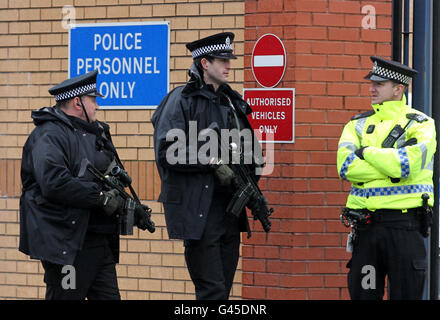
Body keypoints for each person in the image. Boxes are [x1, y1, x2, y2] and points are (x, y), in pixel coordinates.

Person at [152, 32, 263, 300]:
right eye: (222, 60)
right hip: (199, 212)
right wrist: (212, 161)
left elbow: (251, 154)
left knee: (222, 292)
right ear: (204, 63)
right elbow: (168, 150)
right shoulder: (181, 100)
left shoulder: (230, 102)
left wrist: (249, 184)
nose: (229, 65)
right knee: (211, 292)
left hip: (229, 211)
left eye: (230, 59)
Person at [19, 70, 128, 300]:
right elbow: (54, 183)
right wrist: (100, 197)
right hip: (67, 247)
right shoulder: (49, 135)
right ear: (78, 102)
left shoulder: (95, 133)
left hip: (99, 243)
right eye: (94, 100)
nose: (97, 106)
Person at [337, 56, 436, 300]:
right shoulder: (357, 124)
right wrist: (388, 164)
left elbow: (405, 166)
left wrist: (367, 152)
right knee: (364, 295)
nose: (371, 88)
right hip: (367, 229)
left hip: (405, 227)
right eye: (372, 83)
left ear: (398, 89)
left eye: (379, 84)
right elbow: (347, 167)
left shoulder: (421, 124)